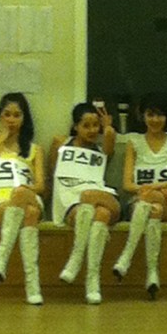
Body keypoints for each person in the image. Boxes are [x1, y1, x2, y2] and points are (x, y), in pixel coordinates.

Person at [112, 93, 167, 299]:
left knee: (156, 202)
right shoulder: (134, 142)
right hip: (140, 202)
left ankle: (126, 257)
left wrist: (153, 188)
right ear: (142, 116)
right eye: (151, 114)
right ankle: (152, 273)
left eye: (160, 115)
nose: (155, 120)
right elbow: (127, 184)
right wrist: (149, 192)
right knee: (154, 210)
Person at [49, 102, 119, 304]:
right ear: (75, 126)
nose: (92, 130)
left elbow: (109, 142)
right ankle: (91, 279)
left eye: (95, 125)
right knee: (98, 212)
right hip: (70, 200)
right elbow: (52, 173)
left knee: (92, 199)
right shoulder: (61, 143)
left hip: (98, 194)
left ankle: (79, 263)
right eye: (86, 126)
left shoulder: (100, 149)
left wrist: (107, 126)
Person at [0, 92, 46, 304]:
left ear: (24, 118)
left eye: (17, 115)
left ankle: (1, 260)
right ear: (0, 116)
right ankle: (33, 286)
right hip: (1, 200)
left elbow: (40, 186)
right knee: (29, 214)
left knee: (21, 195)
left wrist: (24, 190)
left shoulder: (35, 149)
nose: (11, 120)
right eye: (7, 114)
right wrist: (1, 140)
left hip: (28, 195)